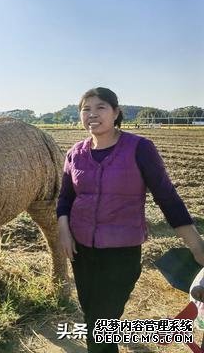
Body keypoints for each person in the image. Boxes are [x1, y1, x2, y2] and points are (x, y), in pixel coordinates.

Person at [56, 87, 204, 353]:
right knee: (95, 319)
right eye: (86, 109)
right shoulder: (75, 153)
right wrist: (64, 231)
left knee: (100, 322)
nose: (92, 114)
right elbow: (65, 199)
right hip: (82, 251)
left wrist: (195, 244)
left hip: (121, 252)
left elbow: (167, 198)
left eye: (101, 107)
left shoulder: (139, 149)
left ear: (116, 113)